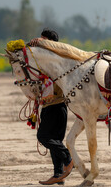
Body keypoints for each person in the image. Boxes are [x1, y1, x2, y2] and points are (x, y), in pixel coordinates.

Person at [29, 29, 73, 185]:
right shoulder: (46, 62)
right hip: (52, 106)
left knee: (43, 137)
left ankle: (68, 159)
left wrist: (40, 43)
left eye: (43, 40)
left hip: (56, 106)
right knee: (56, 142)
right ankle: (58, 175)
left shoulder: (56, 59)